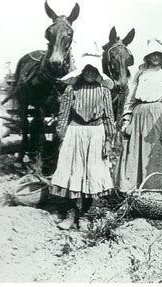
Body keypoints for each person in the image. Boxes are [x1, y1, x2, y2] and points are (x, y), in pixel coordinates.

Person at [51, 48, 115, 230]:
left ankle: (84, 215)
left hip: (96, 134)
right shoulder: (72, 89)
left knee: (91, 173)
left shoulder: (104, 92)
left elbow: (109, 117)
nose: (90, 73)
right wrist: (62, 136)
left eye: (93, 70)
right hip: (75, 132)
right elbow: (63, 114)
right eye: (87, 69)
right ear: (81, 71)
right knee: (73, 172)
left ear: (98, 73)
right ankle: (70, 214)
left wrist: (109, 140)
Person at [115, 39, 162, 192]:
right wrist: (127, 120)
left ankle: (157, 189)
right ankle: (134, 189)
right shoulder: (140, 73)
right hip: (138, 115)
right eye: (152, 54)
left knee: (156, 152)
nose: (155, 57)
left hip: (156, 115)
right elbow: (131, 98)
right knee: (134, 152)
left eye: (158, 54)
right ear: (147, 57)